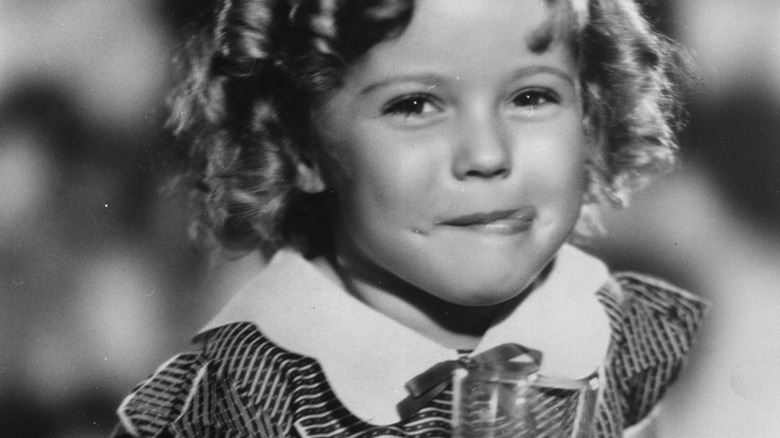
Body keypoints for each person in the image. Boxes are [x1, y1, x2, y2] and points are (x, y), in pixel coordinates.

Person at [112, 0, 706, 436]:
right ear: (301, 148)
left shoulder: (634, 341)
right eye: (415, 105)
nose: (487, 155)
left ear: (594, 118)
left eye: (531, 96)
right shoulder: (236, 403)